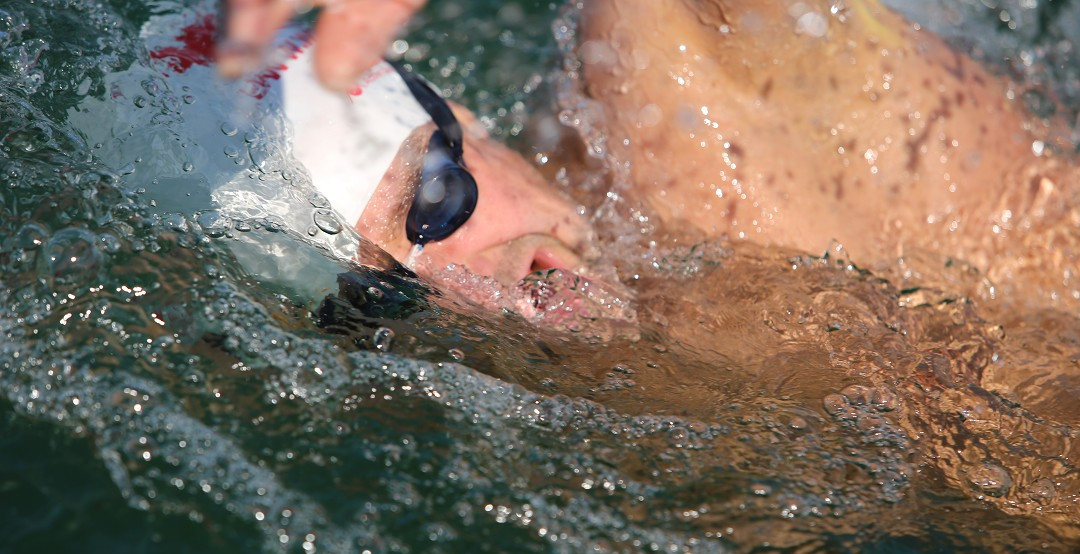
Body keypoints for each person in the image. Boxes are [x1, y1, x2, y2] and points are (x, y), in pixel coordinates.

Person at [216, 0, 1077, 313]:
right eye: (384, 296)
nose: (466, 291)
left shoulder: (675, 96)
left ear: (464, 122)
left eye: (439, 198)